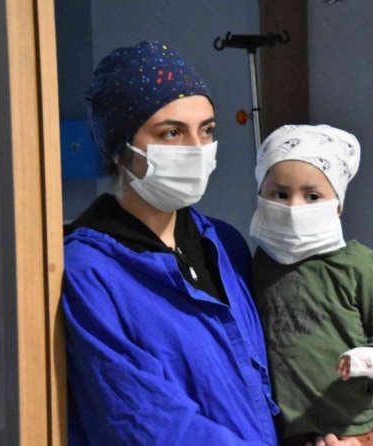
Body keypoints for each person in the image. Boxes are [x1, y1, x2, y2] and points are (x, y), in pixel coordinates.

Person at [61, 40, 280, 445]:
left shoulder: (223, 244)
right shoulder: (88, 272)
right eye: (172, 133)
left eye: (207, 130)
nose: (197, 149)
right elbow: (142, 422)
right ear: (121, 149)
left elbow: (263, 386)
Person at [249, 125, 373, 446]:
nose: (294, 207)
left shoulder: (358, 265)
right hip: (280, 428)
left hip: (347, 427)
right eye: (280, 194)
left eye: (312, 196)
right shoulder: (259, 264)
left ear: (337, 204)